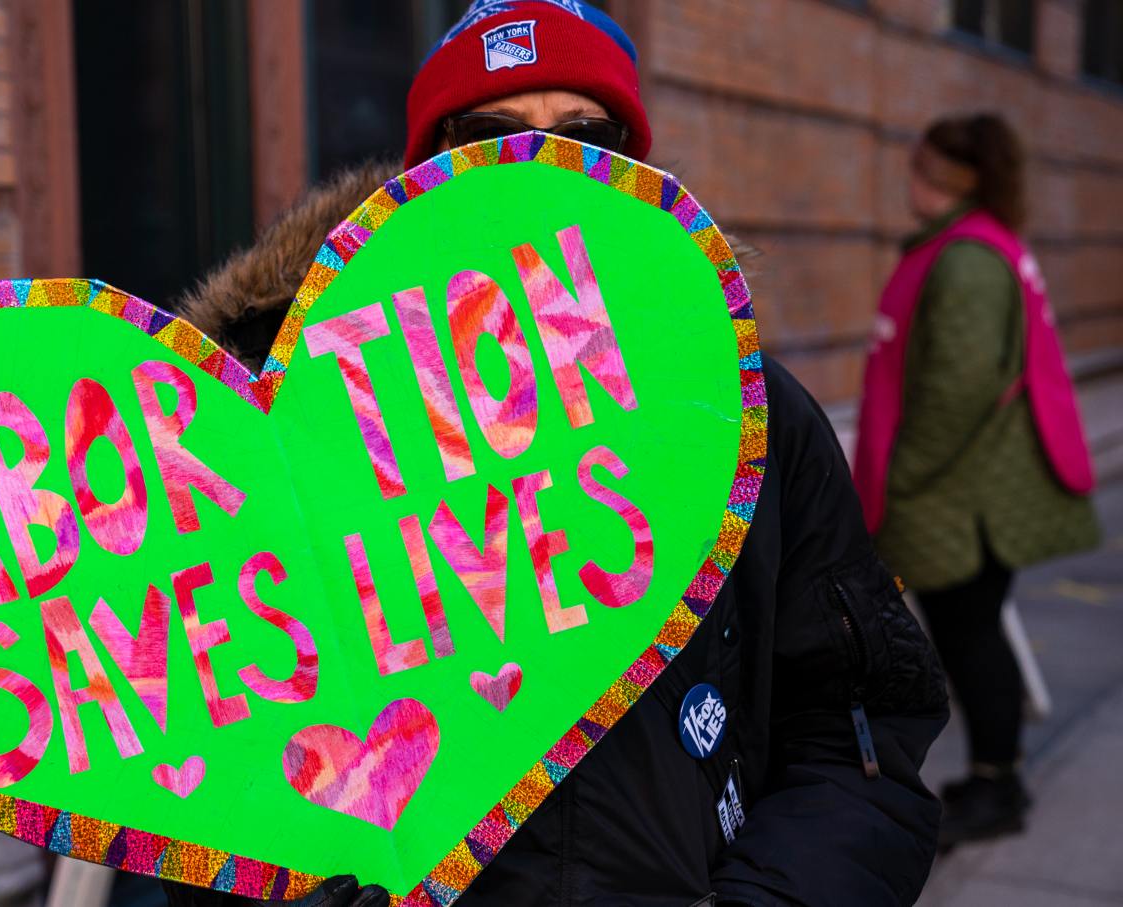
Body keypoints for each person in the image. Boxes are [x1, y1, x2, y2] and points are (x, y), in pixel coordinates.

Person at [166, 2, 948, 904]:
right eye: (487, 136)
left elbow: (855, 742)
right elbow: (214, 772)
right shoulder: (297, 440)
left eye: (588, 136)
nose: (538, 167)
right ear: (426, 177)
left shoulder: (745, 419)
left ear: (634, 171)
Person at [853, 114, 1099, 851]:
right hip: (968, 493)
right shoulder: (972, 246)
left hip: (961, 502)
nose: (909, 179)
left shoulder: (964, 260)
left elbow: (954, 393)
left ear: (953, 179)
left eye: (922, 167)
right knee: (972, 633)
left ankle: (997, 786)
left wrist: (901, 480)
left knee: (972, 638)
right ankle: (998, 775)